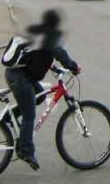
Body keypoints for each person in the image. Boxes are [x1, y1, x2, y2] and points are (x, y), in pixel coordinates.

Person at [5, 9, 80, 170]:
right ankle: (26, 150)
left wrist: (53, 68)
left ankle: (8, 117)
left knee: (38, 97)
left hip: (18, 74)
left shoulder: (37, 31)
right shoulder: (49, 35)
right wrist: (74, 67)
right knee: (29, 115)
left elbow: (35, 55)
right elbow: (60, 53)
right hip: (20, 78)